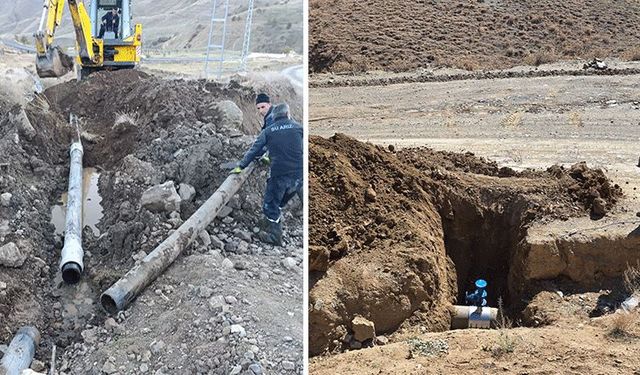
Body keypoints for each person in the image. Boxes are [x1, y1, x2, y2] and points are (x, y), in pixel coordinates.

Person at [231, 103, 303, 246]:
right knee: (283, 201)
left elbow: (254, 150)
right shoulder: (299, 128)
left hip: (279, 175)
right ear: (288, 114)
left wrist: (241, 166)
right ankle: (269, 222)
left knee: (271, 205)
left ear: (274, 117)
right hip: (299, 176)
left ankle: (275, 237)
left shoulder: (268, 131)